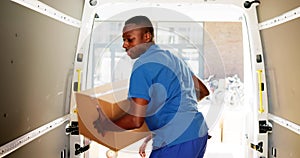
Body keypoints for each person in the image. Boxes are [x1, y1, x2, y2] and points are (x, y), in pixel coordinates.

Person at [94, 15, 210, 158]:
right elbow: (203, 91)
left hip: (175, 142)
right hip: (198, 133)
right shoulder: (174, 59)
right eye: (123, 40)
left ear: (147, 36)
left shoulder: (142, 65)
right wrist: (179, 118)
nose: (124, 45)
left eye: (130, 39)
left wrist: (106, 125)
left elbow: (135, 120)